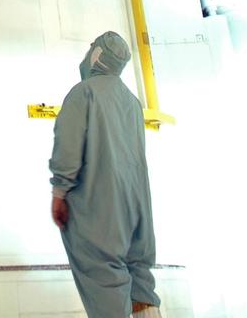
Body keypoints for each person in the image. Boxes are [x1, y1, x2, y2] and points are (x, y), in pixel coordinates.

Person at [49, 32, 161, 318]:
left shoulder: (83, 93)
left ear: (97, 55)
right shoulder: (132, 102)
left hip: (100, 212)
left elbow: (68, 150)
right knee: (141, 284)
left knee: (107, 288)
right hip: (136, 209)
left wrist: (59, 193)